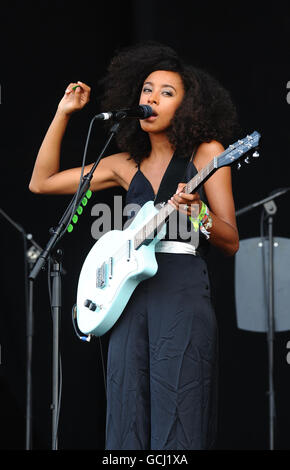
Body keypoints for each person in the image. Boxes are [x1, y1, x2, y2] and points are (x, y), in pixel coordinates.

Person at [29, 42, 240, 450]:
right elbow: (41, 182)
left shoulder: (209, 154)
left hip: (180, 290)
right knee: (126, 410)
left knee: (179, 405)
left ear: (188, 106)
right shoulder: (124, 163)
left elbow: (231, 240)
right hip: (126, 294)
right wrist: (63, 113)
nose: (152, 99)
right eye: (147, 89)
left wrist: (197, 213)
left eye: (166, 92)